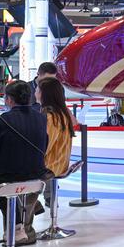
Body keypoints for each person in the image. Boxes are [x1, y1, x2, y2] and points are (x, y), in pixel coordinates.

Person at [0, 80, 49, 245]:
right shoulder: (42, 118)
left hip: (10, 178)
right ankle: (25, 216)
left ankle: (14, 225)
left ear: (8, 99)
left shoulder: (1, 121)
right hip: (37, 174)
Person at [36, 77, 76, 206]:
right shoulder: (62, 113)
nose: (35, 92)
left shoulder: (51, 117)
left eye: (37, 89)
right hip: (60, 162)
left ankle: (27, 208)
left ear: (44, 94)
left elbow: (45, 145)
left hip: (52, 165)